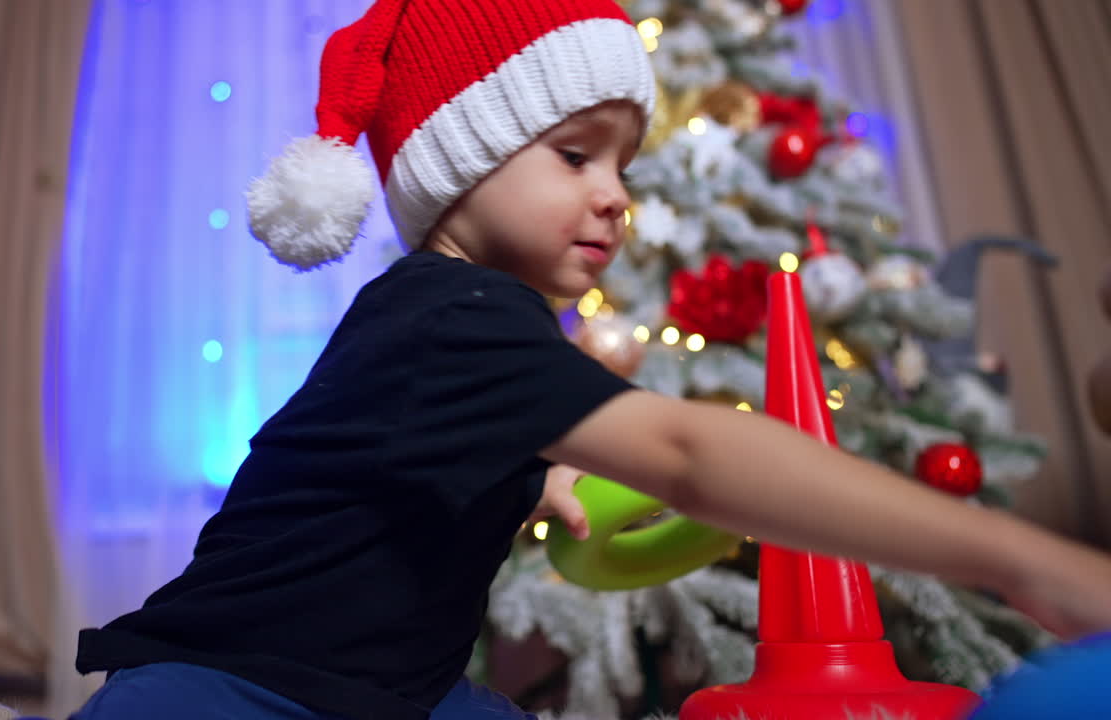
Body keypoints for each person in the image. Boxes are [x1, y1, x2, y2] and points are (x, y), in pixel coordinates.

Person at [69, 1, 1111, 718]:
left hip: (389, 692)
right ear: (460, 166)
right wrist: (1021, 560)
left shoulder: (472, 330)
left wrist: (548, 470)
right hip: (231, 692)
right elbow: (690, 456)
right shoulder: (451, 313)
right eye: (575, 155)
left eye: (624, 161)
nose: (617, 194)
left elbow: (404, 452)